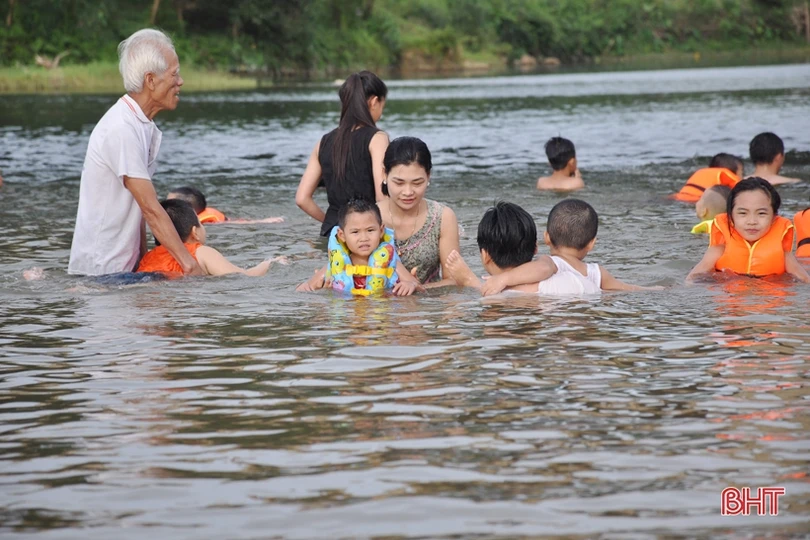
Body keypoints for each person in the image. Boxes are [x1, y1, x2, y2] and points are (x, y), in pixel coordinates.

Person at [68, 29, 202, 276]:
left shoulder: (139, 124)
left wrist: (144, 260)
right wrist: (189, 265)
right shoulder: (122, 128)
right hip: (103, 272)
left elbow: (139, 208)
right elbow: (150, 208)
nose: (180, 81)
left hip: (122, 269)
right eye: (174, 74)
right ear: (150, 80)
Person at [449, 200, 656, 295]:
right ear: (535, 247)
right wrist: (654, 290)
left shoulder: (549, 265)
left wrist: (493, 280)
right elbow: (627, 289)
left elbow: (543, 268)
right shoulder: (594, 273)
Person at [295, 71, 389, 236]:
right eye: (382, 105)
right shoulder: (377, 138)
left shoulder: (323, 142)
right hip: (366, 237)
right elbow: (382, 197)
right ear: (374, 102)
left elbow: (302, 199)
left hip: (333, 233)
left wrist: (332, 223)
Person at [687, 177, 810, 282]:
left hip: (769, 298)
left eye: (761, 213)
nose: (752, 221)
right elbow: (694, 277)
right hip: (730, 297)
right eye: (743, 213)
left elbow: (804, 280)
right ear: (730, 216)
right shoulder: (720, 248)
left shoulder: (783, 253)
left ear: (774, 217)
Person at [377, 137, 460, 287]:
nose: (408, 192)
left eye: (417, 183)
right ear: (384, 174)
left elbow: (454, 280)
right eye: (399, 183)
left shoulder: (442, 217)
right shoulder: (368, 218)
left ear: (428, 176)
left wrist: (417, 288)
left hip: (429, 301)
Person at [297, 199, 419, 296]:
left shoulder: (390, 263)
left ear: (381, 231)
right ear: (342, 235)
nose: (364, 238)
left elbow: (417, 285)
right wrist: (320, 290)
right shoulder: (336, 264)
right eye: (355, 232)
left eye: (370, 230)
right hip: (348, 315)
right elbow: (303, 289)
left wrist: (410, 285)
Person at [137, 199, 277, 276]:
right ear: (195, 232)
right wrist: (269, 264)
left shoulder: (148, 257)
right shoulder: (201, 252)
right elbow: (241, 276)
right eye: (200, 223)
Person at [167, 186, 283, 225]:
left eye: (169, 203)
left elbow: (233, 224)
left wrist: (261, 222)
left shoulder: (208, 222)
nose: (165, 206)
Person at [672, 153, 742, 203]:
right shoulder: (727, 180)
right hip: (697, 201)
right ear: (731, 174)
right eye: (741, 173)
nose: (741, 177)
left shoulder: (702, 172)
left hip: (676, 198)